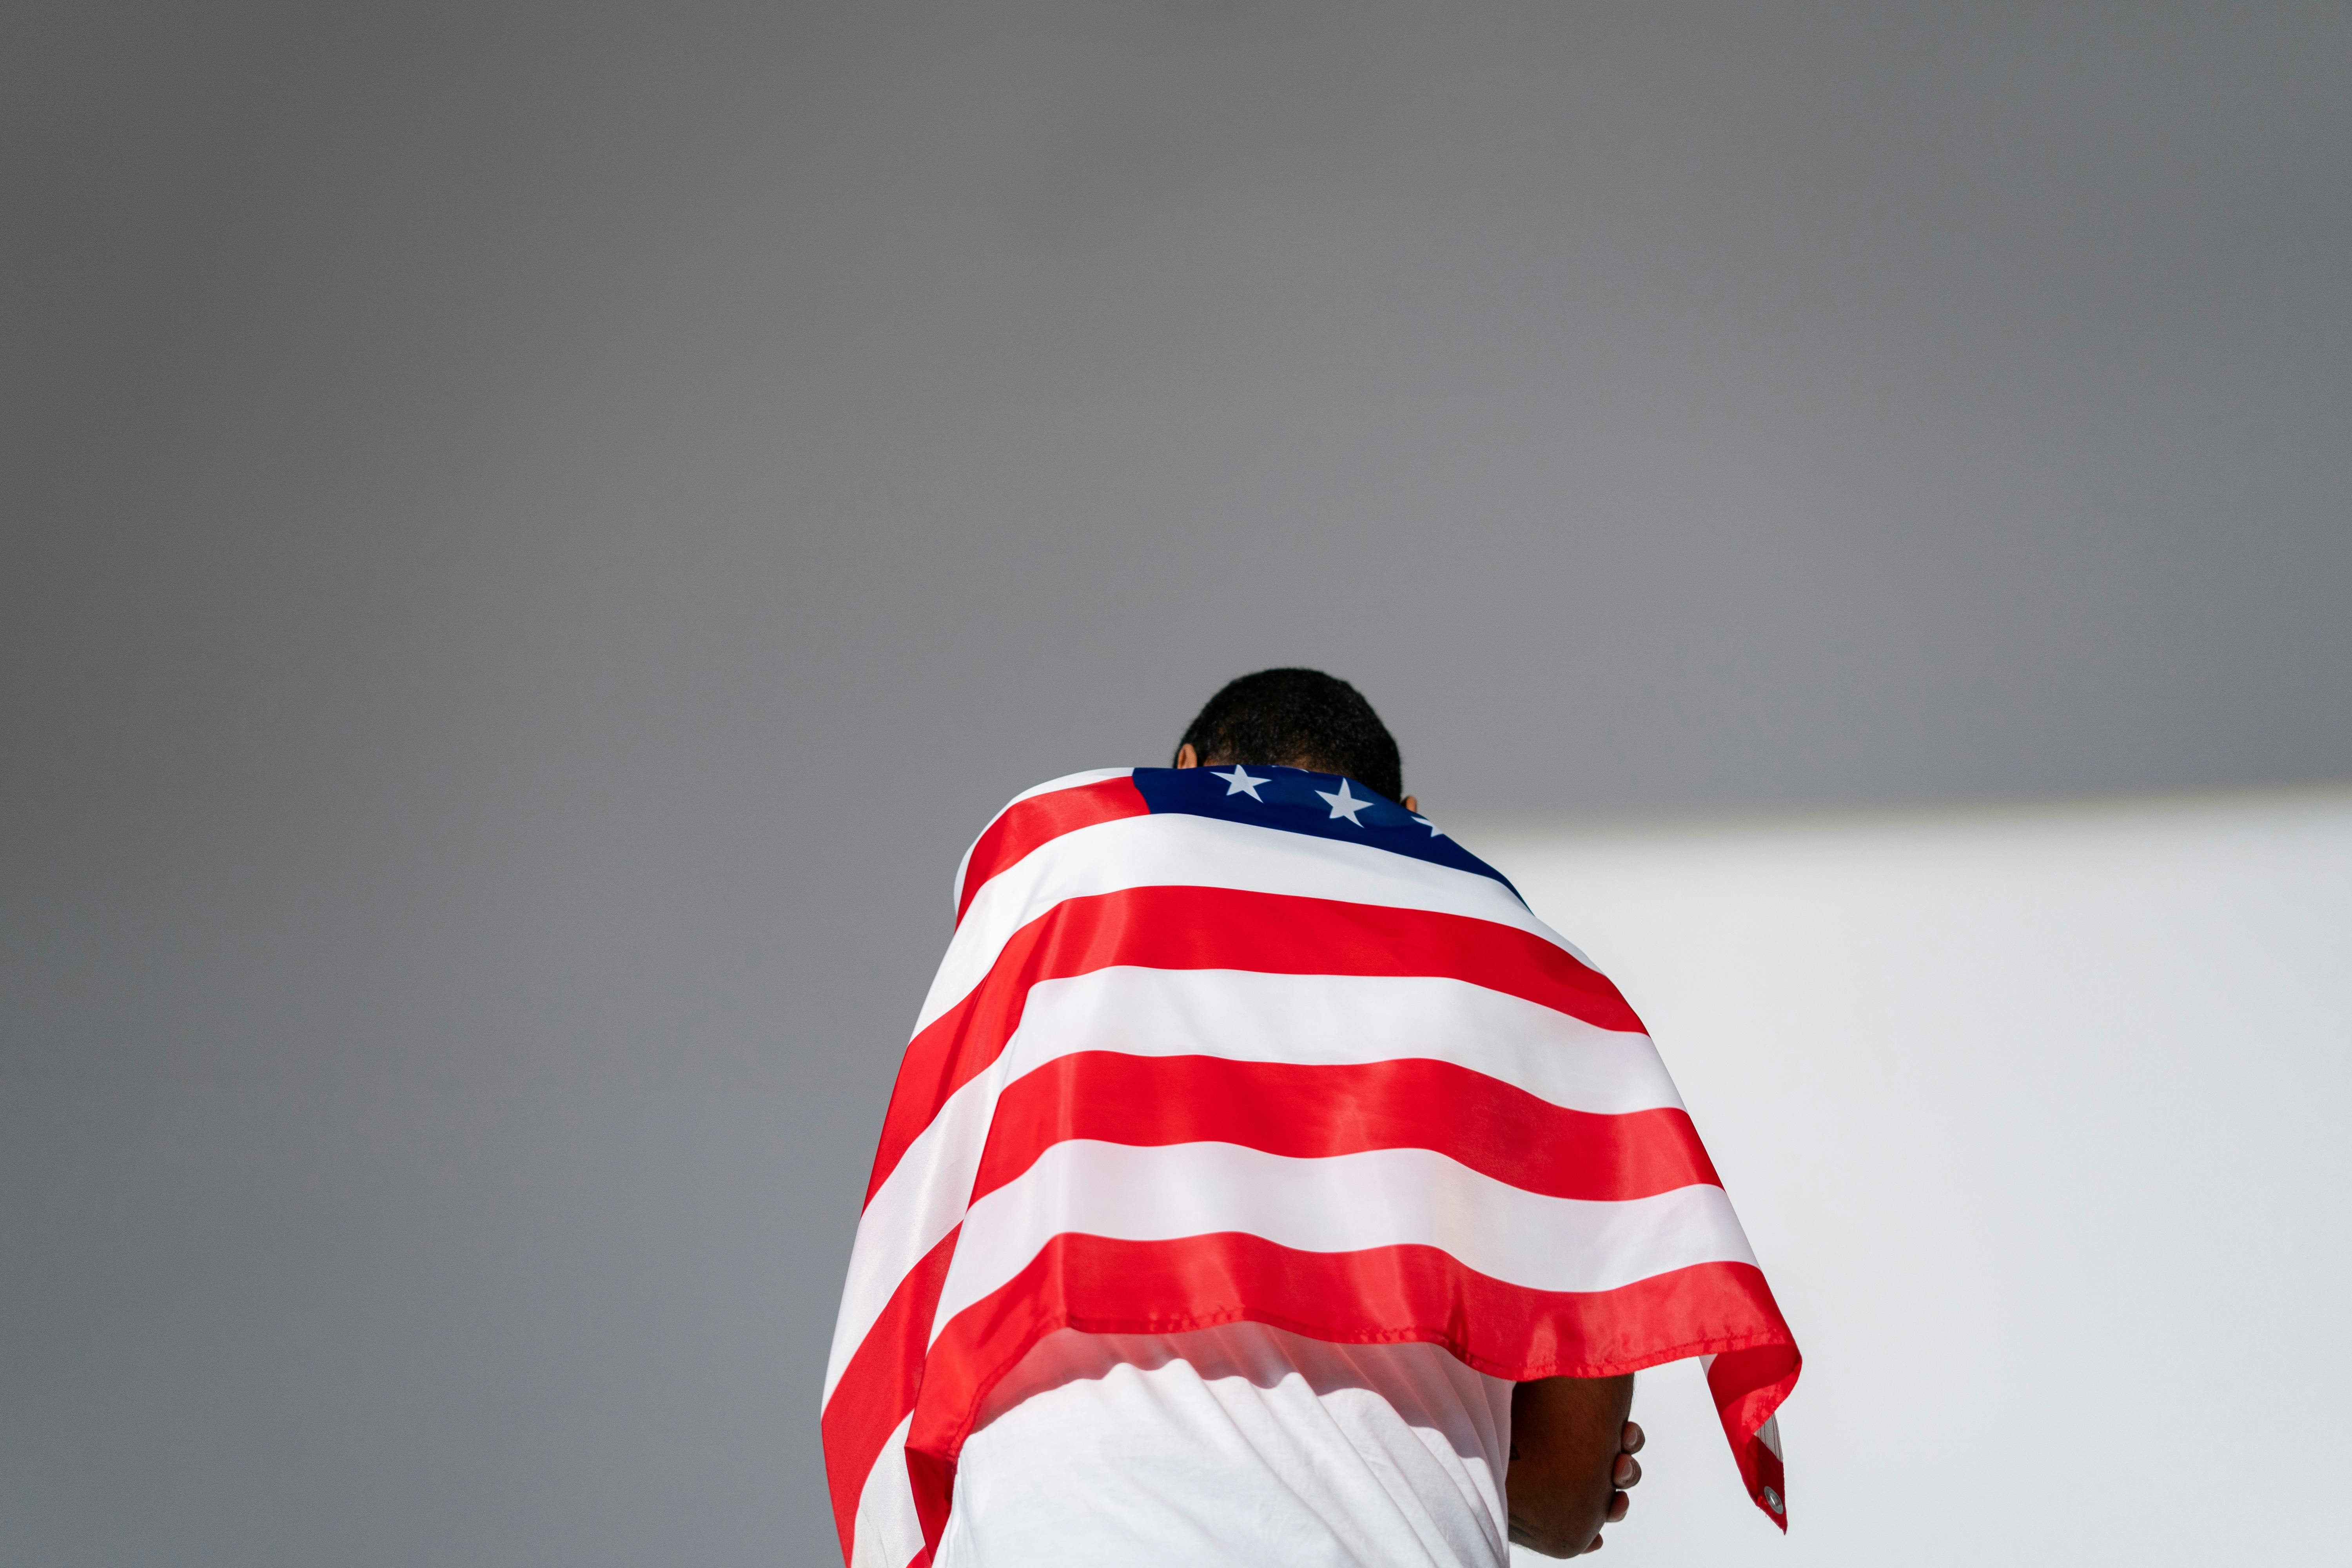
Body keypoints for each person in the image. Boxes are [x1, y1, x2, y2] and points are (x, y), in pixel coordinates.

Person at [933, 669, 1646, 1566]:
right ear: (1408, 817)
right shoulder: (1525, 980)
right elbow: (1565, 1493)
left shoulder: (1062, 881)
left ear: (1187, 768)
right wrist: (1436, 1427)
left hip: (1063, 1531)